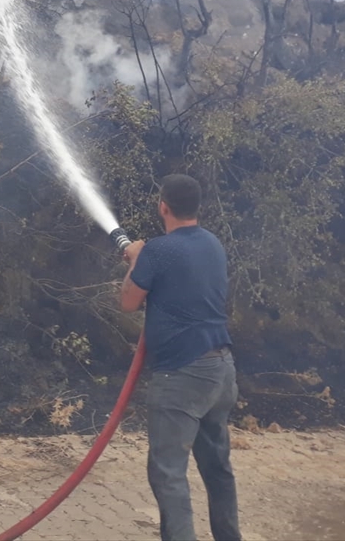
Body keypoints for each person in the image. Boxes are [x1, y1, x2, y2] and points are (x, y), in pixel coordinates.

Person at [120, 174, 240, 541]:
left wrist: (135, 259)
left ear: (163, 207)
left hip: (182, 377)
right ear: (197, 207)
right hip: (221, 371)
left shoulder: (158, 250)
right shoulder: (213, 244)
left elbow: (127, 302)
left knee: (168, 473)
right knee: (217, 466)